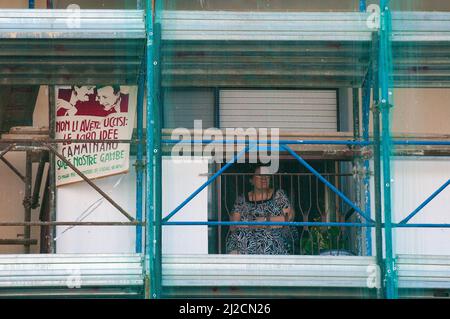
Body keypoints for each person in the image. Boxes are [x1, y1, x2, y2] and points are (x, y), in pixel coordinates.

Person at [226, 165, 298, 255]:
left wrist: (264, 221)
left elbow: (288, 217)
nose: (264, 178)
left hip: (272, 240)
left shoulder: (278, 195)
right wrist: (252, 225)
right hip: (245, 240)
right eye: (260, 175)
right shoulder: (242, 199)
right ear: (251, 180)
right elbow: (234, 225)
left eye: (267, 176)